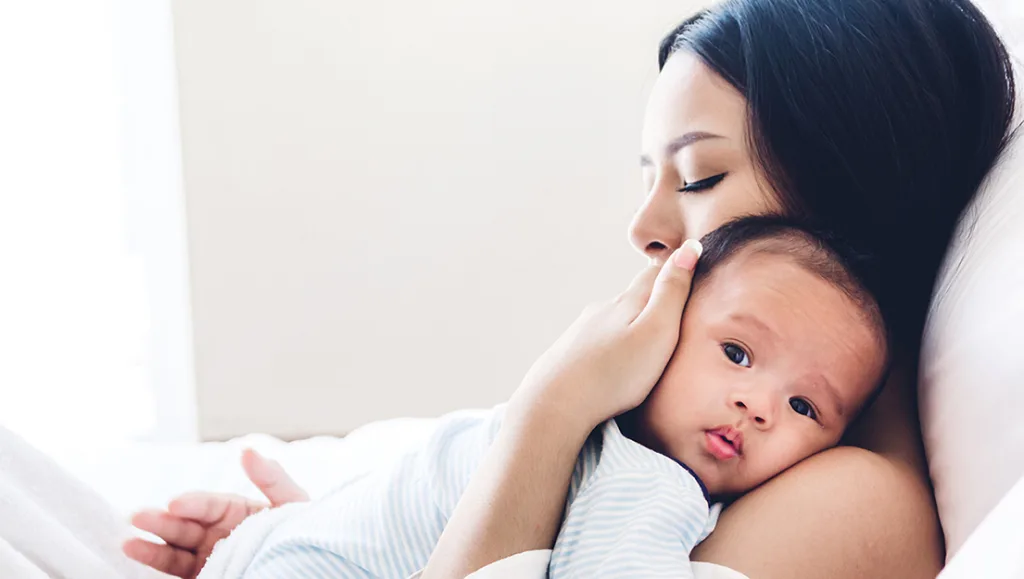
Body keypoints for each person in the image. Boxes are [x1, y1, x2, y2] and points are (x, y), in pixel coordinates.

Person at [126, 0, 1016, 577]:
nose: (645, 228)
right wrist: (341, 536)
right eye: (648, 178)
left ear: (847, 200)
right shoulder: (731, 440)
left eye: (699, 178)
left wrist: (553, 406)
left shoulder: (851, 503)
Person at [186, 216, 890, 578]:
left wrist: (271, 539)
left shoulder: (609, 444)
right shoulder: (649, 479)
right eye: (736, 354)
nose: (758, 405)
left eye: (804, 407)